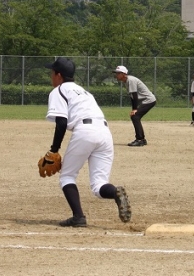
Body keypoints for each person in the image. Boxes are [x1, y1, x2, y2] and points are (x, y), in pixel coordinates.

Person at [44, 57, 131, 227]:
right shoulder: (84, 92)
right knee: (99, 185)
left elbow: (61, 122)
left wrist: (54, 150)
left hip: (85, 131)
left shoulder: (58, 90)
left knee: (67, 176)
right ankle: (115, 192)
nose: (51, 76)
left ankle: (78, 217)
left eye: (52, 73)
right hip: (104, 133)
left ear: (58, 75)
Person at [112, 66, 157, 147]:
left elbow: (134, 95)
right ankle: (142, 139)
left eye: (118, 73)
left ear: (124, 74)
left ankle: (140, 140)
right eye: (116, 73)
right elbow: (132, 97)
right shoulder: (126, 81)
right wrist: (134, 109)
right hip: (146, 101)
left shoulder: (131, 80)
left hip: (149, 100)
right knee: (135, 116)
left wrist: (135, 109)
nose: (116, 75)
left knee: (135, 116)